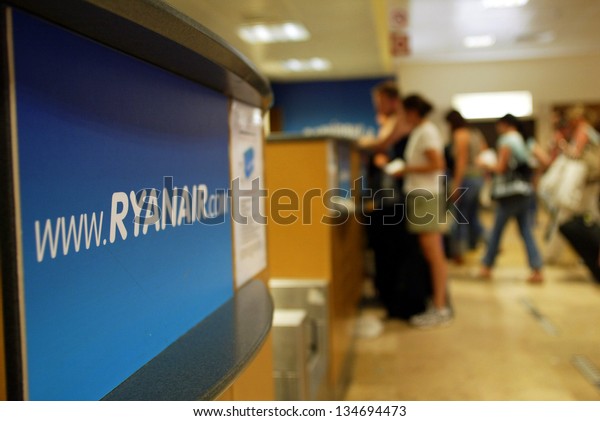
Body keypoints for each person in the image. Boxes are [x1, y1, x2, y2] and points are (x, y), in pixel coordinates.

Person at [379, 94, 452, 328]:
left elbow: (438, 164)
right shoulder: (421, 131)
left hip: (426, 197)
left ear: (412, 111)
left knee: (434, 254)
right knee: (431, 253)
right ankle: (439, 304)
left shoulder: (427, 132)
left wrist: (406, 169)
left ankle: (440, 307)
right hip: (421, 196)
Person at [478, 114, 543, 283]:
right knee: (526, 230)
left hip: (509, 193)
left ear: (505, 125)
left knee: (497, 230)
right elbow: (541, 160)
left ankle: (486, 266)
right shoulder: (524, 140)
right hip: (524, 190)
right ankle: (537, 268)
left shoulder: (506, 141)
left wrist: (485, 164)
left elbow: (501, 168)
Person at [444, 109, 488, 263]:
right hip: (478, 178)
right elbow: (484, 154)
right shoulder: (476, 134)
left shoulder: (460, 135)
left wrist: (456, 185)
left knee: (460, 217)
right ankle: (490, 242)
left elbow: (461, 161)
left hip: (466, 179)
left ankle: (459, 252)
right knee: (472, 216)